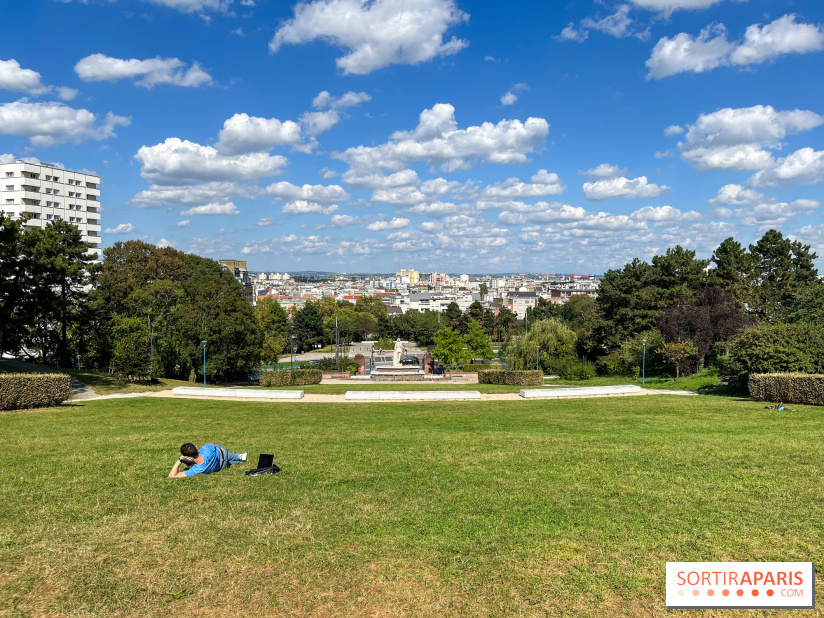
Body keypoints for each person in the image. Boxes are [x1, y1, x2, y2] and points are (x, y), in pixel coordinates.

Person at [168, 442, 247, 478]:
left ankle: (238, 461)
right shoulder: (205, 448)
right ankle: (238, 457)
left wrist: (180, 460)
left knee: (224, 460)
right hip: (223, 453)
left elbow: (172, 475)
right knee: (216, 447)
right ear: (196, 448)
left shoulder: (197, 469)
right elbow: (212, 445)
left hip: (221, 466)